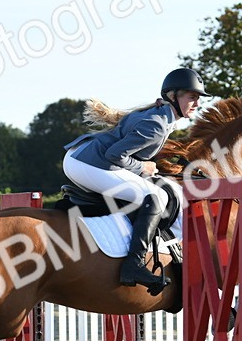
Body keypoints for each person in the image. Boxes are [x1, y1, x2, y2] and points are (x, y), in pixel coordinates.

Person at [61, 67, 206, 291]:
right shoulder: (158, 124)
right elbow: (114, 155)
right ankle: (133, 265)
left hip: (81, 156)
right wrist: (142, 167)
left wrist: (144, 167)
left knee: (155, 190)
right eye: (192, 97)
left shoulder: (162, 115)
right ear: (172, 96)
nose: (197, 103)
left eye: (198, 98)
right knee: (156, 196)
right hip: (87, 163)